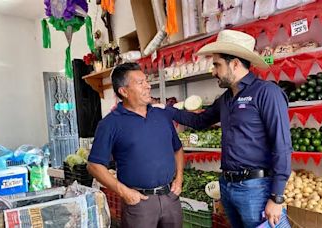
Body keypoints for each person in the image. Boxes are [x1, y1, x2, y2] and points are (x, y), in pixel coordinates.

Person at [164, 30, 292, 228]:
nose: (213, 71)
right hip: (227, 185)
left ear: (234, 64)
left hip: (256, 188)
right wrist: (165, 111)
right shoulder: (225, 99)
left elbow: (282, 146)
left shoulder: (267, 93)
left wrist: (276, 197)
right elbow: (200, 121)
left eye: (217, 65)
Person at [87, 63, 184, 228]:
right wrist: (124, 192)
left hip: (170, 197)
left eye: (146, 81)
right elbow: (94, 166)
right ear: (123, 91)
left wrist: (179, 178)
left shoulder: (161, 115)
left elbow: (177, 148)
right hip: (139, 203)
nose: (148, 86)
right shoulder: (110, 124)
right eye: (140, 83)